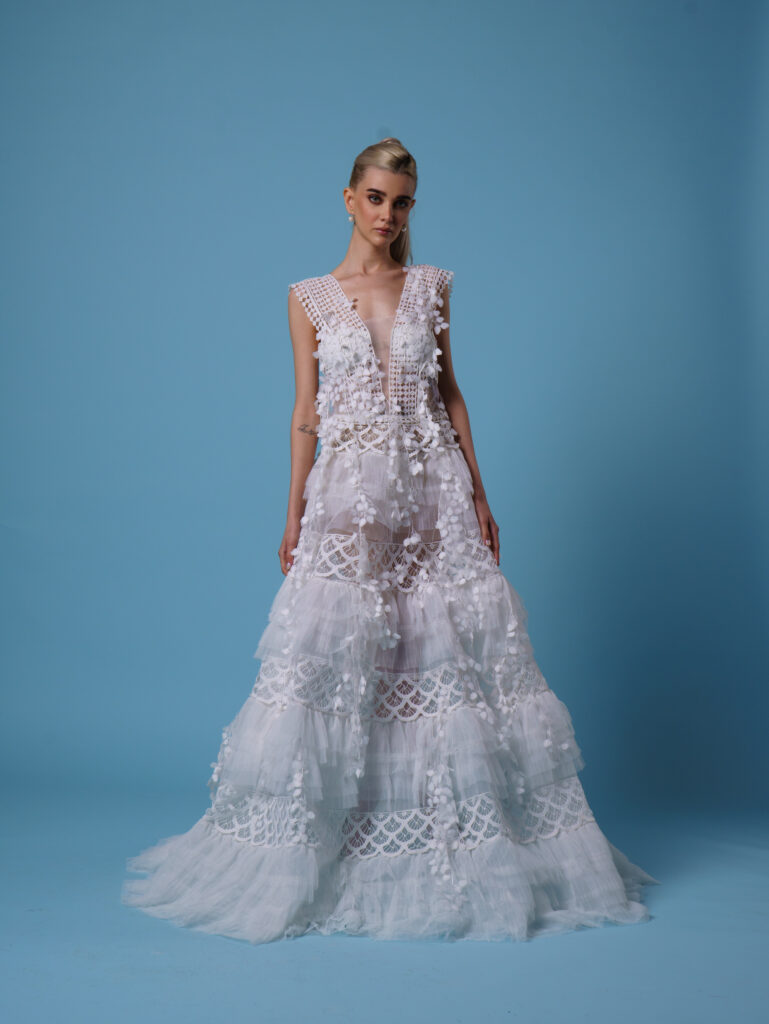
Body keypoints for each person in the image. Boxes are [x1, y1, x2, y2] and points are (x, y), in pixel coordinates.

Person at [122, 137, 660, 943]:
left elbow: (450, 393)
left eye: (401, 202)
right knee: (343, 657)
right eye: (375, 198)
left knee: (443, 652)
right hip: (348, 491)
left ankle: (461, 844)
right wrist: (293, 511)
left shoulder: (430, 285)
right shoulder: (309, 297)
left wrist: (478, 490)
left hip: (433, 486)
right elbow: (305, 412)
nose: (387, 214)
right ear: (348, 199)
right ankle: (336, 847)